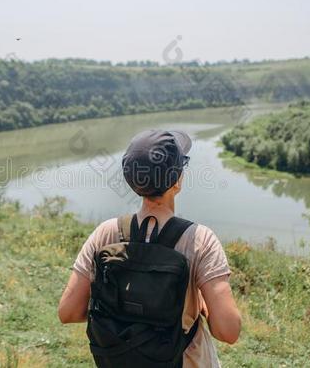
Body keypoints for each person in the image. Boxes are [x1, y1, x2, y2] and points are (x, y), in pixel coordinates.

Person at [58, 130, 241, 367]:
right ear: (176, 181)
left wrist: (123, 312)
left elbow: (68, 312)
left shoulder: (105, 234)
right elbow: (229, 331)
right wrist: (202, 308)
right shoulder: (200, 240)